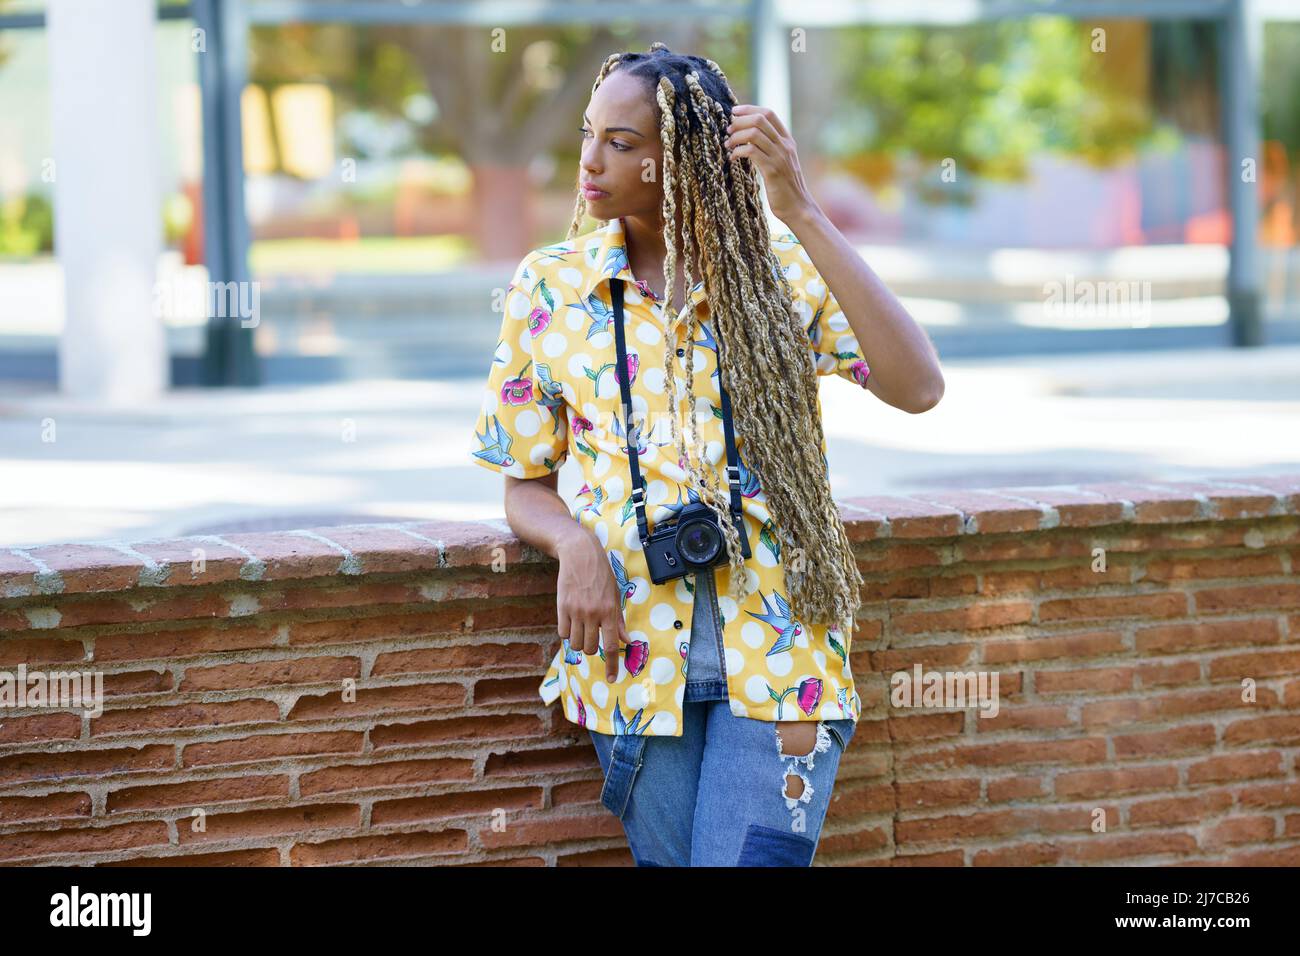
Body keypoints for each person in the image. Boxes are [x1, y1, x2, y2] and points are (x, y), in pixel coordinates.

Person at [469, 43, 944, 866]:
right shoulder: (550, 288)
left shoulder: (779, 271)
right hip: (633, 665)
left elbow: (917, 385)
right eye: (590, 133)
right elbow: (524, 483)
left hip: (782, 652)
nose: (590, 159)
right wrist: (573, 545)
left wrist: (801, 210)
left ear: (680, 158)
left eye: (623, 142)